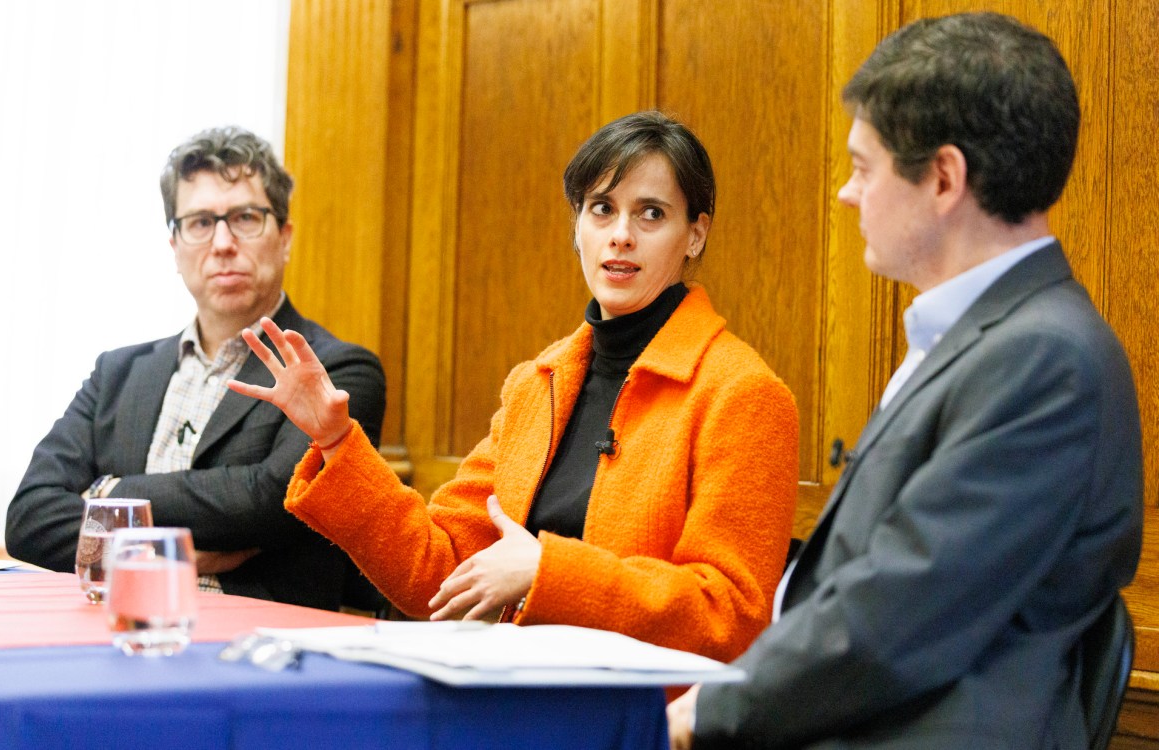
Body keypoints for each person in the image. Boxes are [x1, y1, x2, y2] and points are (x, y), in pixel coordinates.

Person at [667, 11, 1144, 749]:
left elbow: (898, 612)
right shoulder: (977, 337)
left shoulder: (1045, 361)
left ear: (944, 178)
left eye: (864, 167)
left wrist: (701, 715)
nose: (845, 194)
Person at [228, 111, 800, 661]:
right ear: (577, 226)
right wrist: (335, 441)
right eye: (602, 209)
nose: (621, 235)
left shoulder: (743, 394)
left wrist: (545, 571)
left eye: (651, 214)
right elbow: (439, 573)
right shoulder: (538, 385)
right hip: (514, 701)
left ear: (695, 234)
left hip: (644, 719)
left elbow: (730, 618)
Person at [6, 126, 386, 611]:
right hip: (108, 631)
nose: (223, 243)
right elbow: (29, 519)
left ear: (285, 237)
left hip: (255, 648)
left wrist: (108, 493)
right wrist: (172, 556)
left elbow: (273, 500)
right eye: (201, 222)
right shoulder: (116, 375)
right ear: (175, 246)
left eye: (246, 218)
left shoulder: (336, 369)